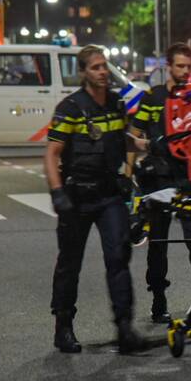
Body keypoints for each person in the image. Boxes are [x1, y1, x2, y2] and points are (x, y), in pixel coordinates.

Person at [45, 44, 149, 354]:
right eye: (96, 67)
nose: (103, 72)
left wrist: (146, 149)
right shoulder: (70, 108)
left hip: (108, 194)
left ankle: (124, 328)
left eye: (104, 66)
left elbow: (124, 139)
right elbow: (51, 154)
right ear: (82, 73)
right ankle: (63, 327)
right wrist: (57, 193)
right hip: (76, 196)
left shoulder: (117, 104)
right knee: (69, 264)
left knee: (118, 258)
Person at [131, 43, 191, 324]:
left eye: (188, 67)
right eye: (180, 66)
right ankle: (159, 299)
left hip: (189, 177)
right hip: (158, 178)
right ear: (168, 65)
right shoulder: (152, 98)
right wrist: (128, 171)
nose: (185, 72)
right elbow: (133, 134)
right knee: (158, 242)